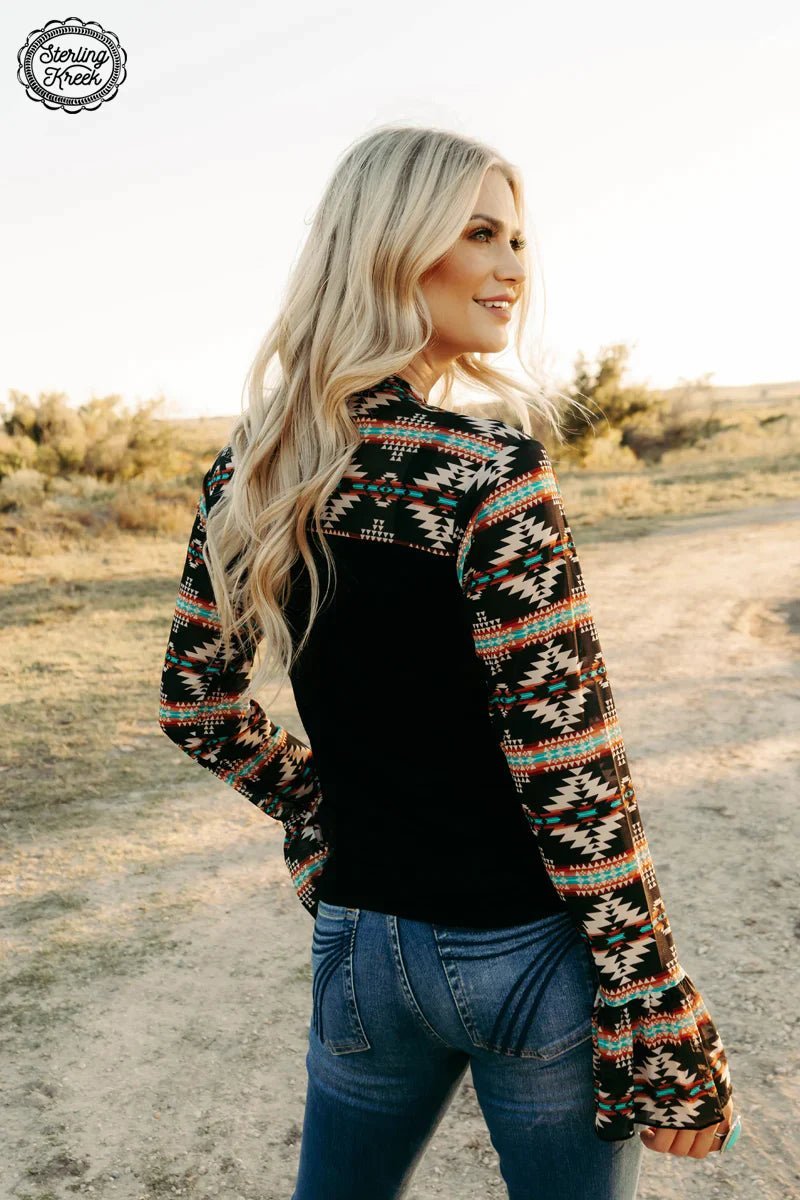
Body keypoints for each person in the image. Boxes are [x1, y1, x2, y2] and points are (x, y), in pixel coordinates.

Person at [158, 124, 740, 1199]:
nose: (513, 265)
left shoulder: (255, 468)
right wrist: (655, 999)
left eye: (515, 237)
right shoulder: (487, 473)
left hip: (360, 944)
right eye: (478, 234)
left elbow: (196, 705)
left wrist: (323, 808)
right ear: (392, 247)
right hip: (523, 954)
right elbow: (569, 770)